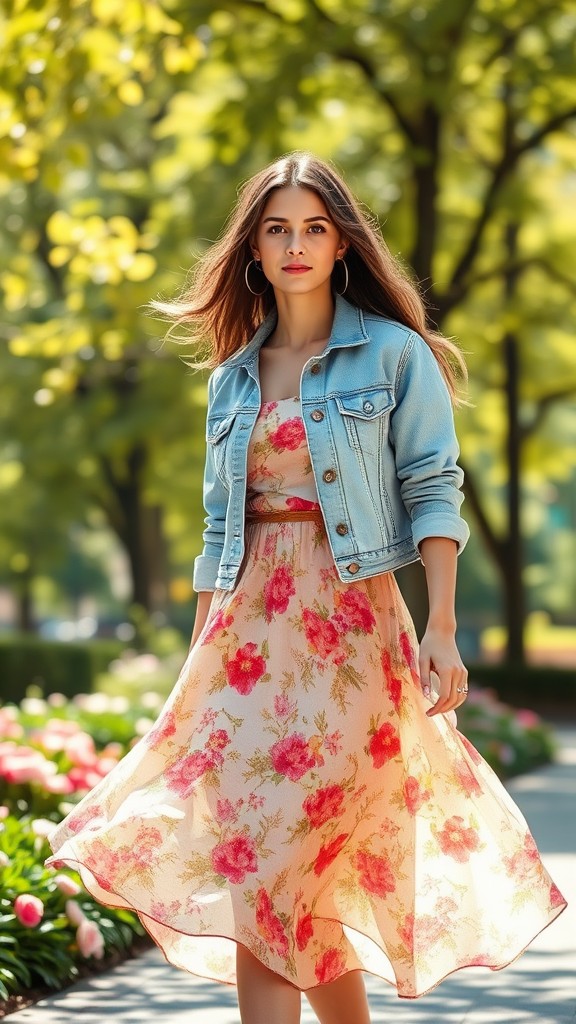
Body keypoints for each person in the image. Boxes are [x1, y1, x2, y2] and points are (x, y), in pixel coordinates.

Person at [46, 152, 566, 1024]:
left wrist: (441, 627)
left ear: (342, 245)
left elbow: (434, 487)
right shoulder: (231, 379)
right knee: (269, 878)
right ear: (253, 247)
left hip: (351, 637)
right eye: (277, 229)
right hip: (246, 644)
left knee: (285, 869)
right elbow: (219, 530)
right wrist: (195, 669)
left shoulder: (396, 355)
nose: (295, 246)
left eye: (314, 228)